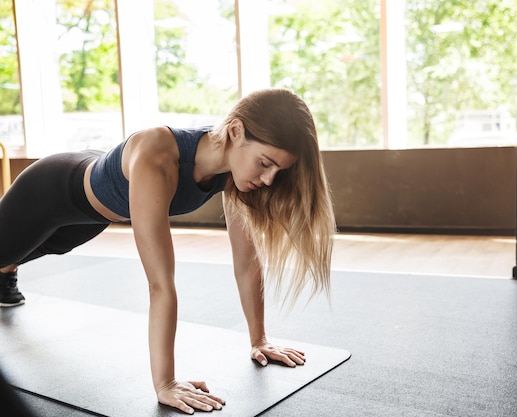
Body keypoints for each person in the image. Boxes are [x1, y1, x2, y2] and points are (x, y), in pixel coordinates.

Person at [0, 88, 336, 414]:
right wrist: (166, 382)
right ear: (236, 131)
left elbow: (247, 263)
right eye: (265, 163)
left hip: (93, 216)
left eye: (278, 171)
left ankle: (7, 270)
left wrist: (259, 340)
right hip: (51, 189)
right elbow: (160, 284)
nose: (268, 179)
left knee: (41, 248)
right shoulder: (158, 155)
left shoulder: (231, 172)